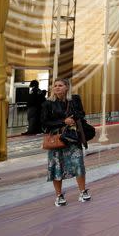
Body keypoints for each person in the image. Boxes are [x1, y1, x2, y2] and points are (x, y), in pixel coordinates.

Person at [41, 78, 91, 207]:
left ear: (67, 87)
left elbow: (81, 114)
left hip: (73, 137)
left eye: (60, 85)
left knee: (78, 163)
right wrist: (63, 122)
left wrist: (73, 119)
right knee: (56, 166)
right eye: (55, 86)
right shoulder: (48, 103)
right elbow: (44, 123)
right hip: (56, 139)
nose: (57, 88)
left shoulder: (74, 99)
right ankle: (59, 195)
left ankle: (83, 191)